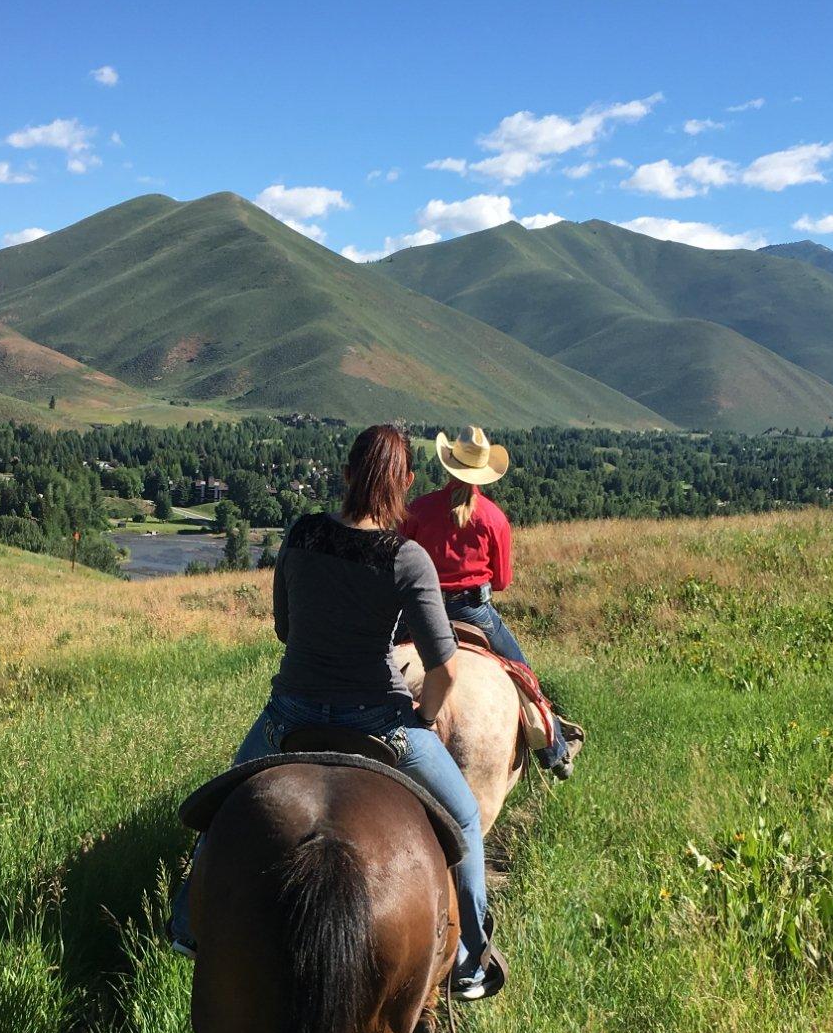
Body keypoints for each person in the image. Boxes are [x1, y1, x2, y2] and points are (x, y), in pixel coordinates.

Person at [170, 424, 501, 999]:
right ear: (406, 485)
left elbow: (285, 629)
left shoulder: (300, 535)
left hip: (291, 713)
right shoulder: (407, 559)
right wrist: (421, 716)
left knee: (222, 808)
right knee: (467, 818)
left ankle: (184, 924)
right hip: (381, 722)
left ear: (346, 474)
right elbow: (445, 669)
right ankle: (473, 959)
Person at [400, 427, 577, 779]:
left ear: (448, 466)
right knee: (525, 678)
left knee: (371, 664)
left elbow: (400, 562)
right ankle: (555, 751)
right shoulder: (495, 518)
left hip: (420, 609)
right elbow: (502, 582)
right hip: (473, 612)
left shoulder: (418, 509)